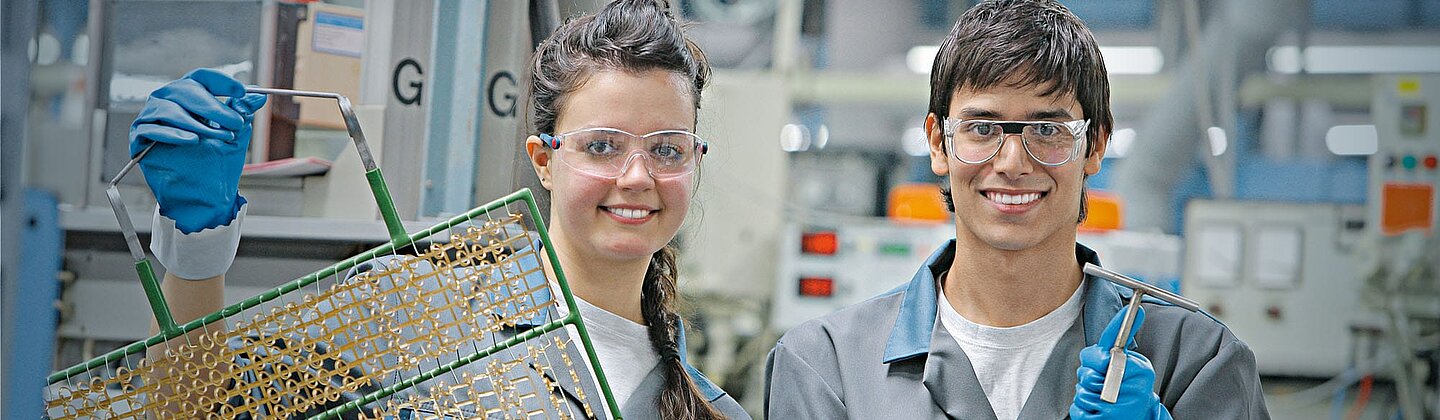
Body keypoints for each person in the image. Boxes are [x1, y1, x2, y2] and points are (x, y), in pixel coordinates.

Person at [130, 1, 748, 418]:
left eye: (667, 149)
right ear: (543, 160)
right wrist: (195, 249)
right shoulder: (409, 309)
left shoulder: (710, 410)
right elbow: (196, 408)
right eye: (602, 146)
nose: (637, 177)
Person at [764, 1, 1269, 419]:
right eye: (982, 128)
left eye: (1047, 130)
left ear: (1095, 145)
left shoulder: (1197, 362)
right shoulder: (827, 366)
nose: (1012, 163)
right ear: (938, 143)